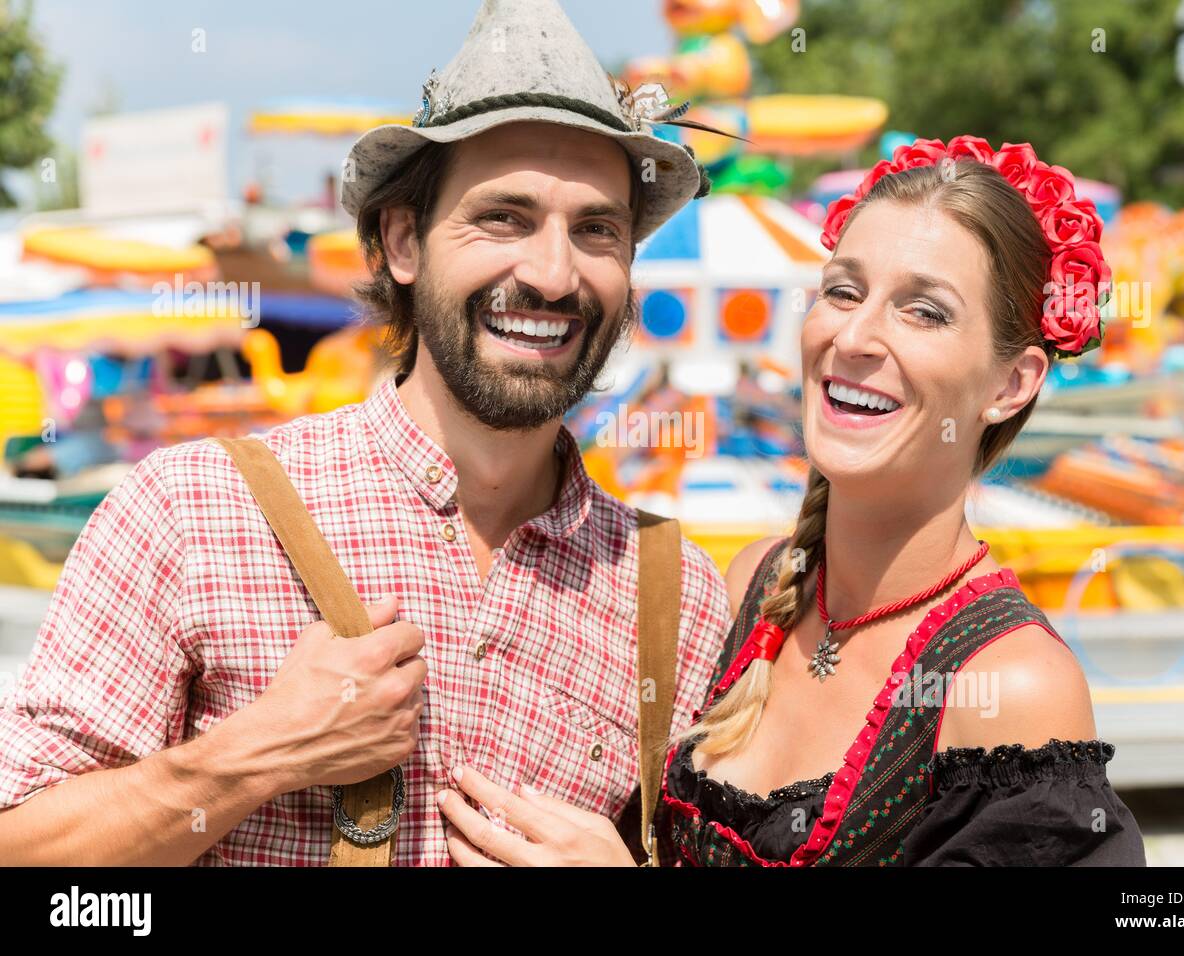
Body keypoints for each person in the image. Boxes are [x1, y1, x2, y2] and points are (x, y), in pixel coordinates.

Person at [0, 0, 730, 865]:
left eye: (598, 230)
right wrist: (251, 758)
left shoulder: (672, 594)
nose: (552, 272)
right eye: (504, 217)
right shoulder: (191, 510)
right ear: (402, 242)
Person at [436, 135, 1147, 866]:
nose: (855, 336)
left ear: (1011, 384)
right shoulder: (754, 586)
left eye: (925, 311)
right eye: (842, 291)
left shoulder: (1010, 686)